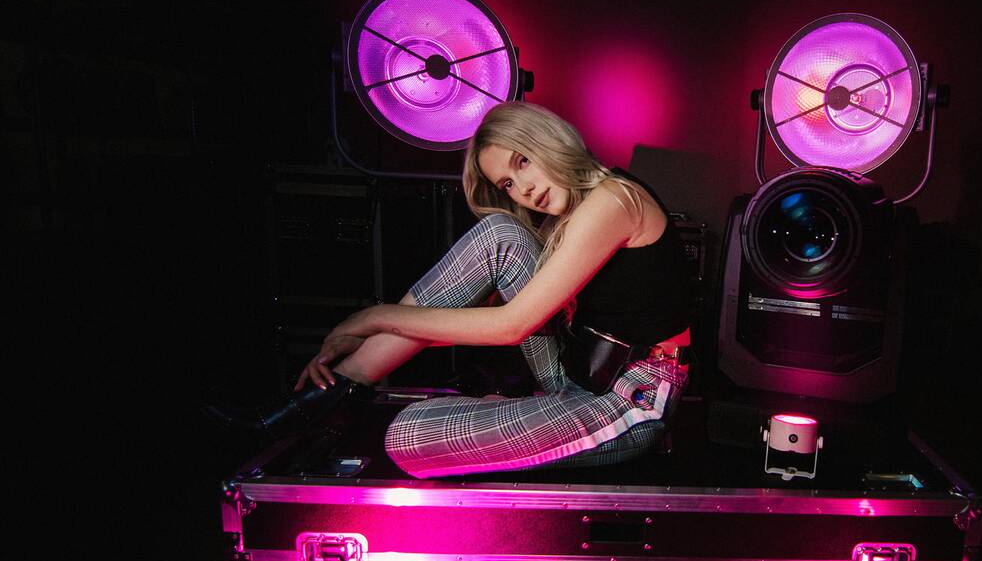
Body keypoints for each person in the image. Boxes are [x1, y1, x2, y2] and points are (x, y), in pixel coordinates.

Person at [208, 102, 690, 477]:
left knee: (408, 435)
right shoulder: (565, 217)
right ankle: (335, 391)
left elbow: (511, 327)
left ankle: (334, 399)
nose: (524, 188)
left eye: (523, 161)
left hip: (630, 400)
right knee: (500, 233)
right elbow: (486, 323)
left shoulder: (614, 200)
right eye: (508, 183)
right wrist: (366, 339)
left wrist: (371, 317)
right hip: (576, 374)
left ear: (548, 139)